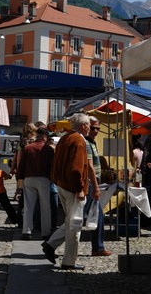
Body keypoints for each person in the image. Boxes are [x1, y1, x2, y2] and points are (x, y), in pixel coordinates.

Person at [41, 113, 91, 270]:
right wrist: (79, 189)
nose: (90, 127)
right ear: (83, 125)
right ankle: (69, 261)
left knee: (70, 220)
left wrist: (57, 180)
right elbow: (76, 168)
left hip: (62, 185)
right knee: (75, 225)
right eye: (89, 124)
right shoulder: (78, 140)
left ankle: (50, 244)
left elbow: (57, 163)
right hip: (72, 188)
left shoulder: (64, 138)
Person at [16, 127, 54, 240]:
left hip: (29, 178)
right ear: (44, 137)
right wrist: (52, 178)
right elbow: (52, 166)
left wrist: (19, 178)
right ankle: (46, 232)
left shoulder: (28, 148)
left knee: (28, 206)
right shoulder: (48, 149)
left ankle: (26, 231)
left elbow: (21, 165)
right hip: (43, 179)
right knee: (45, 206)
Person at [84, 116, 111, 257]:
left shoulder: (92, 143)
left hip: (92, 184)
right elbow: (89, 166)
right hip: (88, 184)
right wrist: (95, 187)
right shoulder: (87, 143)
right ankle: (52, 242)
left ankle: (98, 248)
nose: (95, 131)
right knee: (80, 217)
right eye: (93, 128)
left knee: (96, 216)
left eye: (98, 128)